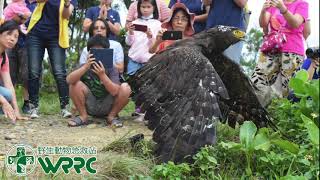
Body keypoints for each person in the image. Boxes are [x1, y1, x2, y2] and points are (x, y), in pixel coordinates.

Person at [251, 0, 309, 107]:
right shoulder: (273, 2)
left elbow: (295, 23)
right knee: (257, 81)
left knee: (289, 89)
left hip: (293, 51)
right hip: (271, 49)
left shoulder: (302, 4)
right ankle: (252, 113)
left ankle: (281, 119)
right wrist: (263, 11)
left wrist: (283, 9)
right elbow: (263, 23)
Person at [26, 0, 77, 119]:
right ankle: (33, 107)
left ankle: (64, 107)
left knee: (60, 72)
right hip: (36, 34)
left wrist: (67, 4)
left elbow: (66, 15)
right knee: (33, 71)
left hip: (56, 36)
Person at [67, 35, 131, 127]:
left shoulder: (112, 68)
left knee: (126, 87)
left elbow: (115, 92)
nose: (98, 55)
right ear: (89, 53)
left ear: (107, 52)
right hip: (90, 104)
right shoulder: (84, 67)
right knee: (74, 83)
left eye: (101, 52)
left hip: (108, 104)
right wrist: (85, 67)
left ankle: (112, 117)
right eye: (94, 52)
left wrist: (102, 75)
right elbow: (69, 80)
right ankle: (83, 116)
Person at [5, 0, 37, 114]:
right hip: (9, 43)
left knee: (26, 74)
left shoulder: (34, 5)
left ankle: (27, 102)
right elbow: (7, 20)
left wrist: (19, 18)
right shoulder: (12, 4)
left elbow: (31, 22)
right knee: (9, 73)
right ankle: (7, 103)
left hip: (26, 43)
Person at [0, 20, 29, 123]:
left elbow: (9, 84)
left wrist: (17, 111)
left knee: (7, 93)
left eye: (16, 37)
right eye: (9, 34)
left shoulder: (4, 58)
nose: (12, 39)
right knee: (4, 97)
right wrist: (4, 102)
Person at [126, 0, 162, 75]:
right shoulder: (134, 23)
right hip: (133, 61)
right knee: (132, 84)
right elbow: (128, 43)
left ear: (154, 8)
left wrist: (150, 37)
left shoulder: (158, 24)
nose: (145, 9)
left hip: (149, 62)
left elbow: (157, 45)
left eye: (148, 7)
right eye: (143, 7)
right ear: (139, 8)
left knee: (148, 85)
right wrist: (130, 32)